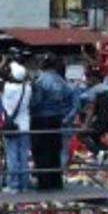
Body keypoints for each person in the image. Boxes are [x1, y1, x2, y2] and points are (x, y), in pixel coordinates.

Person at [30, 54, 75, 191]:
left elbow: (36, 101)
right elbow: (71, 100)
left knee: (41, 151)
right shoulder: (61, 81)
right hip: (57, 119)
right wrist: (65, 116)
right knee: (55, 150)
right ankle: (56, 181)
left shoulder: (41, 81)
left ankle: (44, 183)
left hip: (40, 119)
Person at [0, 60, 33, 192]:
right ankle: (24, 185)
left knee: (12, 156)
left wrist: (3, 62)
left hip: (11, 126)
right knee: (23, 156)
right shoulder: (28, 88)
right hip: (25, 125)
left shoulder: (7, 87)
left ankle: (14, 185)